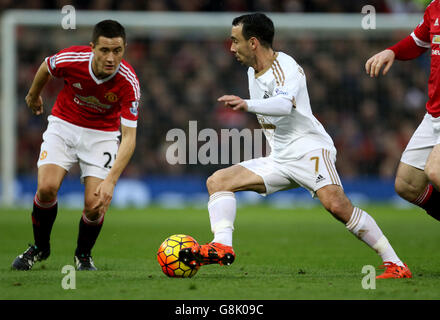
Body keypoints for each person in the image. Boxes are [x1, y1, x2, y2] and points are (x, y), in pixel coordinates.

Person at [179, 13, 411, 279]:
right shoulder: (250, 72)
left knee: (336, 205)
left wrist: (247, 104)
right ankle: (222, 246)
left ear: (253, 42)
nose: (231, 47)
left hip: (309, 149)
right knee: (218, 181)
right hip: (280, 158)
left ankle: (395, 264)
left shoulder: (285, 66)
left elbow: (283, 105)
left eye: (235, 41)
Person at [11, 20, 140, 271]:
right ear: (92, 47)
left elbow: (129, 137)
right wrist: (33, 94)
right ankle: (39, 247)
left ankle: (83, 255)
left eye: (117, 51)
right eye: (104, 50)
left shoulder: (129, 82)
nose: (111, 58)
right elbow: (46, 66)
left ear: (124, 49)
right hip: (64, 125)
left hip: (102, 135)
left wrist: (111, 181)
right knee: (46, 188)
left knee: (95, 206)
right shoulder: (73, 58)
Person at [365, 0, 440, 222]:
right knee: (407, 184)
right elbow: (419, 40)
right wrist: (392, 51)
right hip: (434, 113)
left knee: (435, 171)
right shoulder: (435, 7)